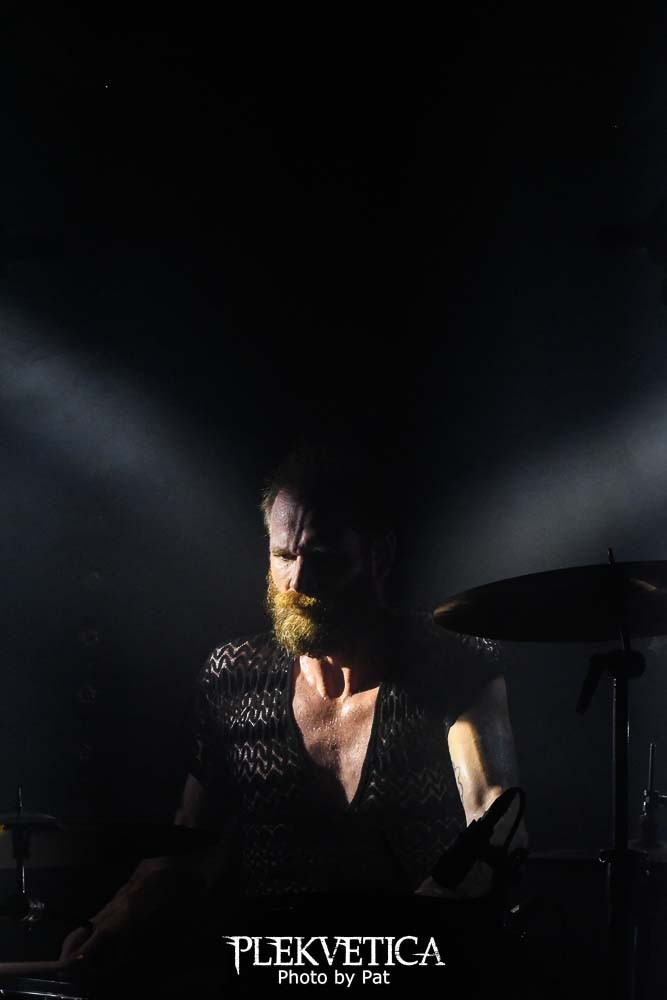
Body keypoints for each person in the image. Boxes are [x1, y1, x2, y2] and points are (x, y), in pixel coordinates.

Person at [58, 440, 527, 976]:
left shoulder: (450, 659)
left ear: (378, 556)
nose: (298, 582)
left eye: (322, 557)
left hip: (418, 966)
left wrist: (425, 926)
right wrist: (109, 921)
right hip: (274, 969)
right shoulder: (234, 675)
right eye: (284, 556)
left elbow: (496, 816)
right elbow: (189, 841)